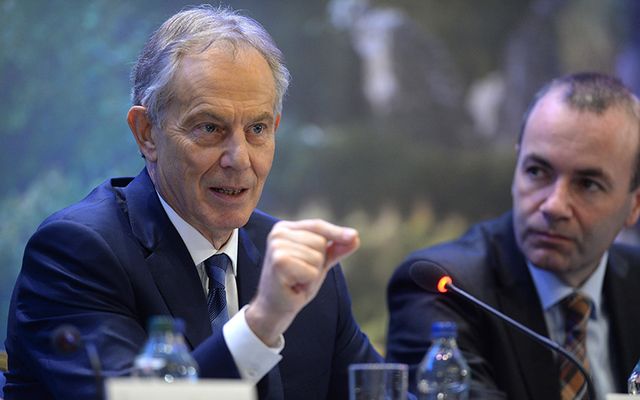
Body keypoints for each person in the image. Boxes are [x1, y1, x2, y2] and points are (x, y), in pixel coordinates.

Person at [3, 5, 381, 399]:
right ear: (147, 133)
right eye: (210, 128)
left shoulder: (296, 267)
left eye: (257, 129)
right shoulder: (76, 252)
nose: (239, 159)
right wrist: (262, 322)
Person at [386, 72, 640, 399]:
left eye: (588, 184)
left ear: (634, 206)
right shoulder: (445, 287)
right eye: (537, 171)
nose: (554, 206)